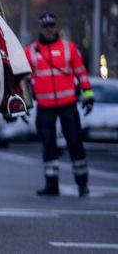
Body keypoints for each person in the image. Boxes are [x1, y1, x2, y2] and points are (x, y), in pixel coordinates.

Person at [25, 12, 93, 197]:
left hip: (68, 105)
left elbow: (81, 72)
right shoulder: (30, 52)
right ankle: (51, 184)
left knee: (75, 143)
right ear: (40, 28)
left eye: (52, 25)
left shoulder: (68, 48)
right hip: (45, 106)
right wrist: (22, 103)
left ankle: (82, 184)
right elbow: (23, 80)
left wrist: (88, 95)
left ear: (56, 27)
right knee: (48, 145)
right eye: (45, 26)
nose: (49, 29)